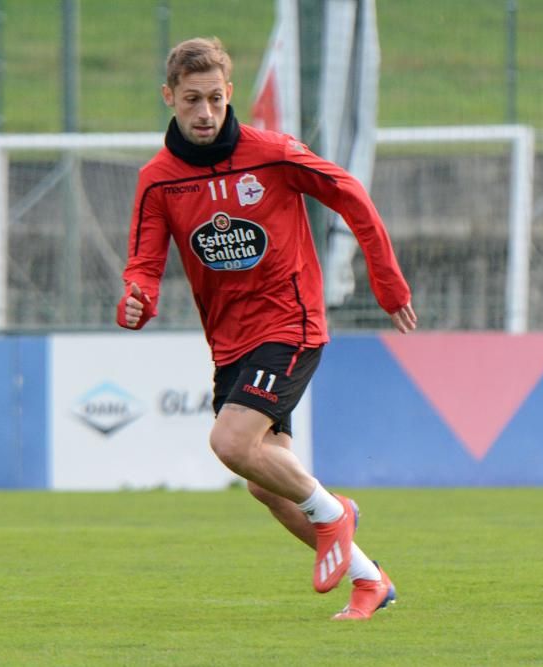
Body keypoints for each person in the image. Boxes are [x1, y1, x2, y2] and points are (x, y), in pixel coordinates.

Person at [116, 36, 416, 621]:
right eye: (190, 101)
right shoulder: (158, 179)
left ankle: (334, 513)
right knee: (267, 486)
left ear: (230, 95)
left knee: (230, 444)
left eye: (215, 100)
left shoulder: (272, 152)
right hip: (231, 343)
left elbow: (350, 194)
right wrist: (138, 298)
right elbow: (143, 263)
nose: (204, 114)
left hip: (290, 322)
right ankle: (370, 580)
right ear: (168, 98)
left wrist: (387, 283)